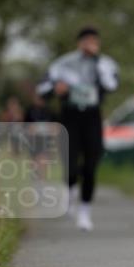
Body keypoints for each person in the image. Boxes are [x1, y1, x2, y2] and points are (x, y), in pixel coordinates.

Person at [37, 27, 119, 231]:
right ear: (79, 42)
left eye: (94, 41)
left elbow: (112, 85)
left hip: (92, 116)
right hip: (70, 116)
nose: (90, 44)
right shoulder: (63, 63)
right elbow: (43, 88)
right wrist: (55, 89)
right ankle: (70, 189)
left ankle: (85, 211)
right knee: (69, 161)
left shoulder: (105, 63)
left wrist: (98, 63)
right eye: (86, 41)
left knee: (91, 163)